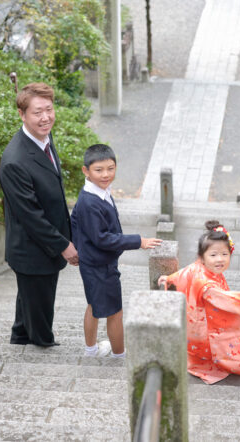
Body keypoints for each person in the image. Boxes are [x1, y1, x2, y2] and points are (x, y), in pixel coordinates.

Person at [0, 82, 78, 347]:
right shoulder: (15, 160)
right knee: (41, 308)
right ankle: (40, 346)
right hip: (32, 248)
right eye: (37, 112)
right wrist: (63, 245)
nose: (45, 117)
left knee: (29, 301)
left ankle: (20, 336)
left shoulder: (43, 137)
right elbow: (30, 215)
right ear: (22, 114)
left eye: (49, 109)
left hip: (43, 243)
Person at [71, 144, 161, 357]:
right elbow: (102, 238)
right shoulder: (90, 202)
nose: (106, 174)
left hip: (94, 261)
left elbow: (75, 223)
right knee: (115, 312)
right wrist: (139, 241)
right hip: (99, 264)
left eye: (110, 168)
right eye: (99, 170)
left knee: (94, 305)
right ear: (86, 171)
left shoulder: (96, 192)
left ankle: (91, 350)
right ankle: (119, 354)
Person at [158, 221, 240, 384]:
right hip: (204, 325)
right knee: (215, 345)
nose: (219, 259)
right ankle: (206, 365)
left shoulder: (199, 267)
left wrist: (170, 278)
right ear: (202, 257)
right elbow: (226, 300)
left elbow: (184, 274)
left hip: (196, 320)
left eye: (224, 254)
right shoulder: (206, 283)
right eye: (213, 255)